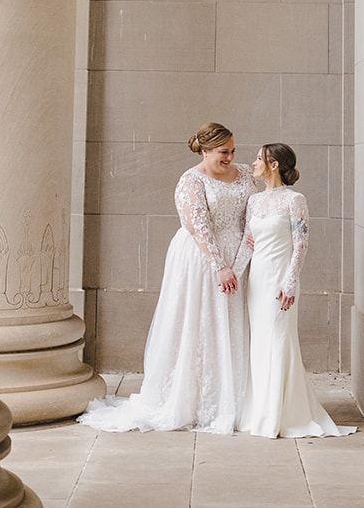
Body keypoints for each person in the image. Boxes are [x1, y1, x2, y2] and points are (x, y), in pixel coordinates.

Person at [78, 122, 260, 433]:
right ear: (204, 150)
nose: (230, 157)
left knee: (232, 321)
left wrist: (242, 258)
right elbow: (197, 226)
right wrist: (220, 265)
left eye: (232, 151)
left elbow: (253, 215)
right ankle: (193, 401)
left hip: (239, 255)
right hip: (202, 259)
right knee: (198, 323)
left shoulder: (244, 174)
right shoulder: (191, 181)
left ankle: (233, 398)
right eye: (222, 152)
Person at [234, 143, 355, 438]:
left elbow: (300, 244)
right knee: (260, 344)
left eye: (258, 159)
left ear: (273, 165)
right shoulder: (254, 201)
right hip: (257, 282)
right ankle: (260, 412)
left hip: (280, 281)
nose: (253, 163)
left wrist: (289, 283)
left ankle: (281, 415)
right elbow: (248, 244)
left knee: (279, 340)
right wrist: (233, 275)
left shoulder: (295, 199)